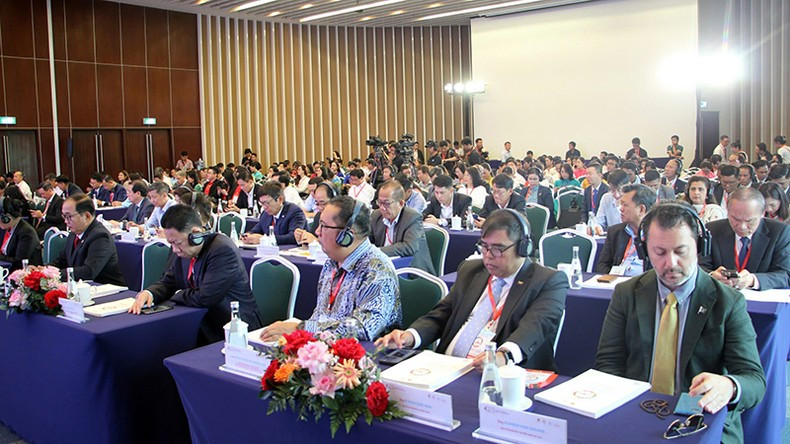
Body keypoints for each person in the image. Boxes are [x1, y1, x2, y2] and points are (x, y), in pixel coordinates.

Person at [595, 203, 766, 444]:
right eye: (660, 252)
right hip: (635, 414)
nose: (671, 263)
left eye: (681, 251)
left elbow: (754, 381)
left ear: (699, 247)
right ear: (645, 251)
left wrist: (730, 385)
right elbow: (608, 363)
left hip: (698, 422)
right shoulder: (627, 293)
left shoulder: (728, 302)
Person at [376, 210, 568, 371]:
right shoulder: (471, 270)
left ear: (523, 247)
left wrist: (503, 356)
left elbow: (534, 327)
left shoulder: (547, 281)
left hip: (501, 375)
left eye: (498, 249)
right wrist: (409, 336)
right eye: (484, 246)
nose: (488, 256)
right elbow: (441, 315)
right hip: (447, 368)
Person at [260, 196, 401, 341]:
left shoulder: (377, 269)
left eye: (324, 226)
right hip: (327, 349)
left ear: (346, 235)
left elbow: (363, 328)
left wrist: (301, 329)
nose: (317, 232)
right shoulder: (331, 263)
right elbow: (321, 315)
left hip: (367, 356)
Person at [129, 204, 261, 343]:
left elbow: (206, 297)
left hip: (230, 330)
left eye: (177, 243)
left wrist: (177, 294)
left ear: (196, 234)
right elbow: (168, 281)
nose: (174, 249)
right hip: (199, 323)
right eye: (171, 243)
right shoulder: (181, 249)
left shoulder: (222, 250)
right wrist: (150, 293)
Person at [701, 187, 790, 290]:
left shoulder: (779, 232)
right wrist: (712, 276)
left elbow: (785, 275)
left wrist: (753, 280)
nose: (742, 226)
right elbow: (698, 267)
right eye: (735, 219)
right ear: (727, 212)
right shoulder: (712, 230)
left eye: (749, 221)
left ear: (762, 214)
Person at [49, 194, 125, 286]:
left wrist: (54, 275)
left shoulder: (100, 236)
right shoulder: (74, 233)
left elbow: (88, 272)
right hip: (81, 287)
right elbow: (62, 261)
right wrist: (44, 270)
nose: (65, 221)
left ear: (87, 216)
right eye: (64, 216)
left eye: (69, 216)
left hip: (106, 289)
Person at [368, 181, 435, 274]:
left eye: (387, 203)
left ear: (400, 203)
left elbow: (409, 247)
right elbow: (367, 241)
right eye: (380, 202)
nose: (382, 208)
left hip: (410, 269)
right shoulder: (376, 215)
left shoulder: (412, 217)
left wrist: (377, 251)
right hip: (383, 267)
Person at [595, 185, 654, 276]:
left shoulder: (657, 236)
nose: (621, 209)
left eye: (625, 205)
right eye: (621, 204)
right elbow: (602, 265)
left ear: (641, 209)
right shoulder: (615, 232)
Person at [243, 181, 306, 245]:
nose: (264, 207)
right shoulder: (265, 214)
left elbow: (293, 237)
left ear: (280, 199)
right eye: (261, 203)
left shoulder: (294, 212)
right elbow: (256, 230)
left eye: (267, 203)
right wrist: (248, 235)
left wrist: (265, 239)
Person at [0, 196, 42, 270]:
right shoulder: (11, 227)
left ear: (6, 218)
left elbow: (19, 262)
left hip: (24, 273)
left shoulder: (26, 233)